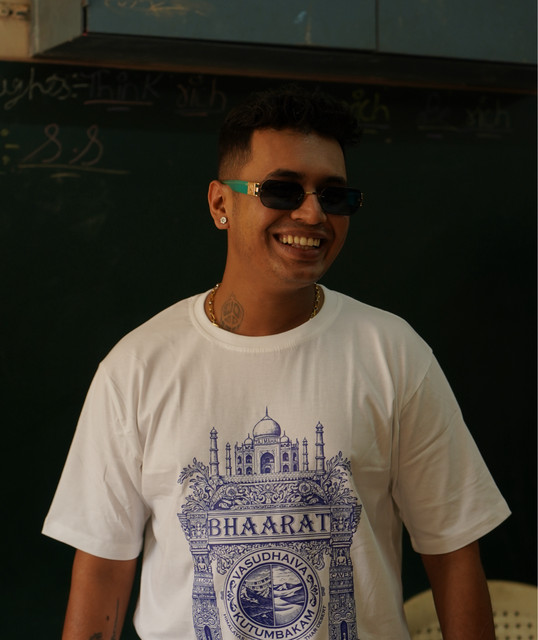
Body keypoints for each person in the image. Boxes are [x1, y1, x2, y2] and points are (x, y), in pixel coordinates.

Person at [43, 85, 510, 640]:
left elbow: (453, 553)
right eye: (282, 189)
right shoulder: (138, 367)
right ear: (221, 204)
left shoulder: (393, 354)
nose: (312, 213)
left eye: (333, 195)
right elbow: (103, 574)